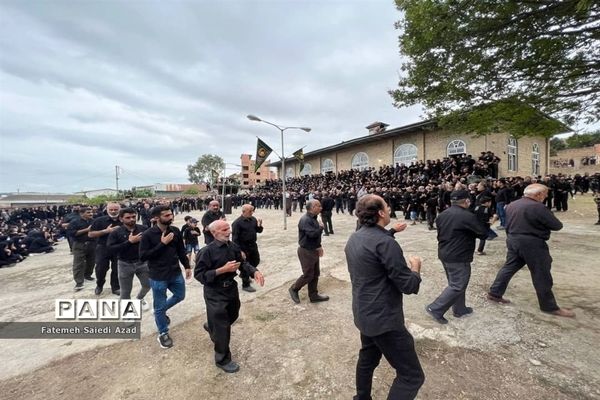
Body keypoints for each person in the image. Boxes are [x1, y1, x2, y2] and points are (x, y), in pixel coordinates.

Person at [345, 194, 425, 400]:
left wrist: (390, 231)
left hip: (364, 313)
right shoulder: (385, 244)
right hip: (385, 321)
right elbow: (408, 285)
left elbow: (374, 244)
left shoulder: (355, 237)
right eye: (387, 207)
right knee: (411, 376)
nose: (389, 209)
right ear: (380, 212)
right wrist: (415, 269)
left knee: (367, 359)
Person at [487, 184, 575, 317]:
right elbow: (557, 225)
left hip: (513, 239)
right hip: (532, 243)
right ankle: (549, 306)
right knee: (541, 273)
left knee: (509, 267)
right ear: (538, 195)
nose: (546, 197)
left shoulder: (512, 204)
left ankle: (495, 292)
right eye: (544, 194)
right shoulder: (538, 207)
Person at [194, 220, 265, 373]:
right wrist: (221, 270)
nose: (229, 232)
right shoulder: (206, 252)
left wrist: (255, 271)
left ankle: (211, 326)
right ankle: (222, 359)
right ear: (214, 233)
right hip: (214, 292)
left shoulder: (232, 246)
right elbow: (199, 276)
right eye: (224, 229)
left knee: (233, 314)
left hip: (231, 289)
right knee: (222, 327)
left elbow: (243, 263)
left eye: (229, 229)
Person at [426, 190, 487, 324]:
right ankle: (435, 308)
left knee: (455, 282)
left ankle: (459, 309)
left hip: (445, 252)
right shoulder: (467, 216)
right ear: (466, 201)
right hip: (458, 255)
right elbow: (483, 234)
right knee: (458, 285)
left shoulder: (442, 215)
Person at [139, 205, 192, 348]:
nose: (171, 217)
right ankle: (163, 332)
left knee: (180, 296)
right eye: (166, 215)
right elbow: (143, 256)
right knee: (160, 306)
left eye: (171, 214)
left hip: (175, 273)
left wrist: (187, 266)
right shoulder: (148, 235)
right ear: (156, 218)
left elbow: (181, 250)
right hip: (158, 276)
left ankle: (158, 312)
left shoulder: (175, 231)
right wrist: (162, 244)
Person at [106, 208, 150, 309]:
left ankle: (139, 299)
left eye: (133, 217)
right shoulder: (116, 232)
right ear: (121, 219)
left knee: (147, 285)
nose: (131, 219)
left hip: (142, 263)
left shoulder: (143, 229)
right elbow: (111, 249)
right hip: (125, 264)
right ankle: (127, 314)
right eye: (128, 217)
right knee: (125, 292)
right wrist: (129, 242)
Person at [289, 199, 329, 303]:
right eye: (318, 206)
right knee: (308, 274)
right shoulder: (305, 219)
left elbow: (315, 238)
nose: (321, 208)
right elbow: (312, 234)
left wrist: (319, 246)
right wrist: (321, 228)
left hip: (313, 249)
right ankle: (294, 288)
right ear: (312, 207)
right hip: (306, 251)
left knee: (315, 274)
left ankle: (313, 295)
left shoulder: (314, 218)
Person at [89, 202, 122, 295]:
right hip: (103, 247)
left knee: (117, 269)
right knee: (100, 268)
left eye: (115, 209)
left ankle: (115, 287)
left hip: (118, 248)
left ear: (119, 210)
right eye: (111, 209)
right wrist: (106, 231)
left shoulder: (123, 220)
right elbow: (90, 234)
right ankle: (99, 285)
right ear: (106, 210)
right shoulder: (99, 220)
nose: (113, 211)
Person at [231, 204, 264, 292]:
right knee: (245, 265)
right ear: (244, 211)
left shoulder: (253, 219)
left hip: (253, 245)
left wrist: (260, 225)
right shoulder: (237, 223)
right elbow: (234, 239)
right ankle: (245, 285)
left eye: (252, 211)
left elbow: (258, 230)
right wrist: (239, 251)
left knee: (256, 261)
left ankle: (244, 274)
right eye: (250, 211)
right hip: (243, 247)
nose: (252, 213)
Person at [67, 207, 96, 290]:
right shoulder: (74, 222)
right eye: (88, 212)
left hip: (92, 244)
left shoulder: (93, 221)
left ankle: (87, 275)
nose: (91, 214)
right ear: (82, 213)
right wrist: (86, 230)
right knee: (78, 264)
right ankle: (79, 282)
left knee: (91, 261)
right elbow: (72, 233)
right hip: (80, 245)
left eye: (91, 212)